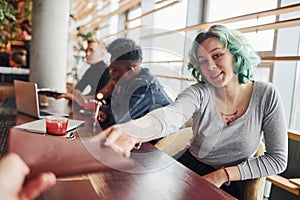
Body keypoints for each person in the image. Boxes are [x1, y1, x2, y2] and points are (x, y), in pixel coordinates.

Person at [93, 25, 288, 199]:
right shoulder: (199, 92)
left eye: (217, 55)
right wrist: (134, 129)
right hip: (189, 169)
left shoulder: (266, 94)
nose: (210, 66)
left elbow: (277, 159)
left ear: (235, 54)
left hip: (232, 181)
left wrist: (223, 174)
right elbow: (171, 115)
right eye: (202, 61)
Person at [97, 38, 172, 128]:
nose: (111, 73)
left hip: (166, 140)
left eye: (115, 70)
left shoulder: (144, 86)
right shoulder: (126, 81)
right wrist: (104, 113)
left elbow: (120, 120)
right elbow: (115, 106)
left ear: (130, 70)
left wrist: (106, 115)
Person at [56, 39, 111, 106]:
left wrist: (78, 98)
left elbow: (100, 98)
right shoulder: (91, 70)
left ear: (102, 54)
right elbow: (77, 90)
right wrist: (79, 97)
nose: (87, 54)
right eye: (86, 51)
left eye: (91, 50)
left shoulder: (107, 72)